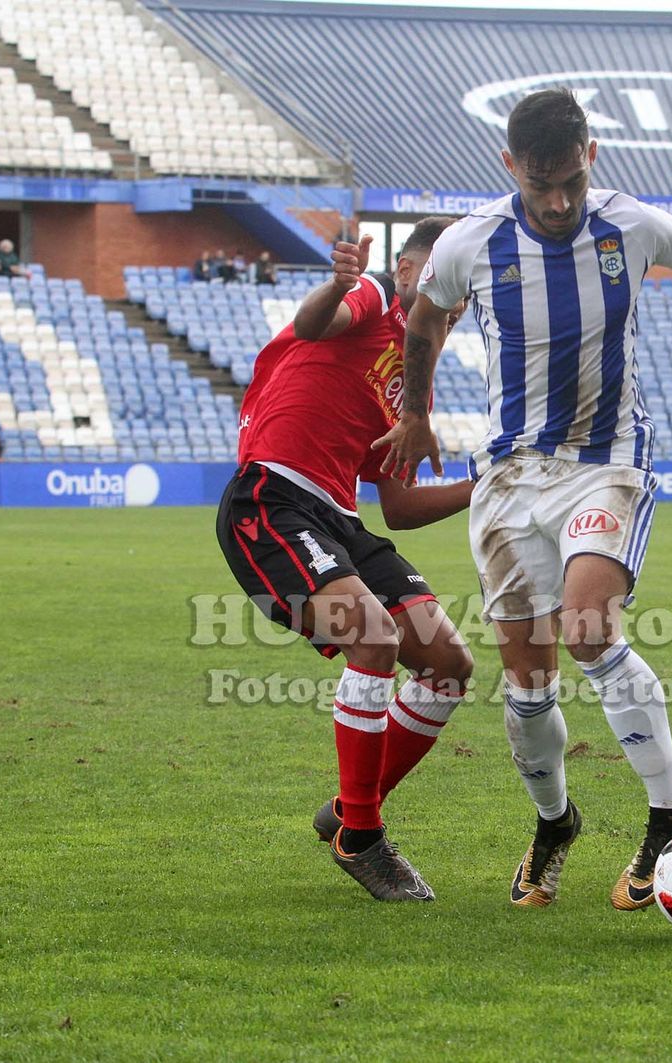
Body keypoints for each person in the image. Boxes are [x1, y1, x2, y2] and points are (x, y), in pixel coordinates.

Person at [374, 88, 672, 911]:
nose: (558, 202)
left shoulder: (632, 225)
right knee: (527, 681)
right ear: (509, 166)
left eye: (571, 182)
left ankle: (669, 816)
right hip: (509, 475)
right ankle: (556, 822)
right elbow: (424, 322)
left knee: (588, 625)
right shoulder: (470, 243)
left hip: (607, 460)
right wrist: (415, 411)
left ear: (592, 156)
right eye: (539, 183)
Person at [216, 217, 474, 903]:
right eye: (445, 277)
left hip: (341, 519)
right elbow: (311, 326)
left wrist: (486, 487)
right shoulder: (373, 298)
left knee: (449, 665)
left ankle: (348, 810)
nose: (456, 299)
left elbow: (400, 507)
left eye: (465, 287)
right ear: (408, 272)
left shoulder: (414, 384)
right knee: (374, 636)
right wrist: (337, 284)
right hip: (272, 499)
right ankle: (362, 835)